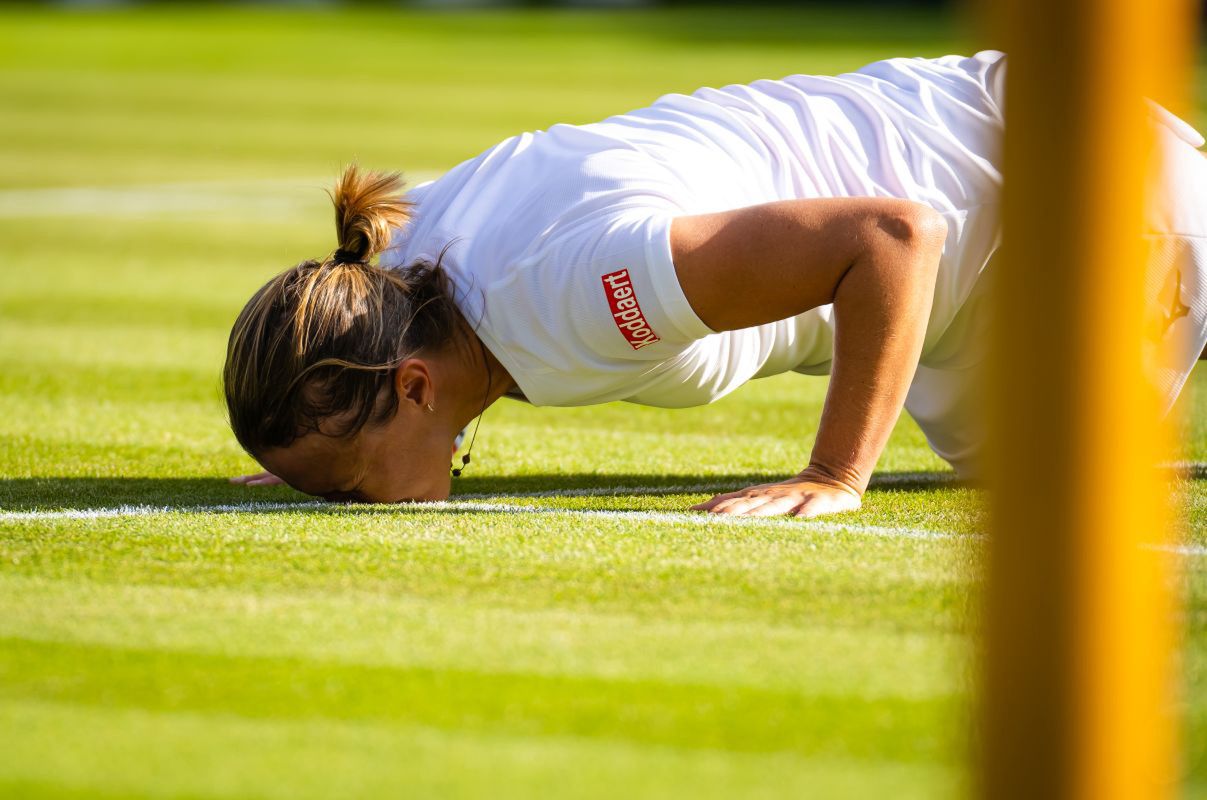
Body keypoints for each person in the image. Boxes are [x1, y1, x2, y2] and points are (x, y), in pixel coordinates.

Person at [224, 50, 1207, 518]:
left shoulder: (580, 287)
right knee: (1035, 472)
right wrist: (317, 437)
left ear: (411, 386)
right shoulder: (392, 280)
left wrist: (834, 477)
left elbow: (895, 236)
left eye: (342, 485)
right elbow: (347, 351)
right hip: (977, 216)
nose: (337, 502)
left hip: (1076, 183)